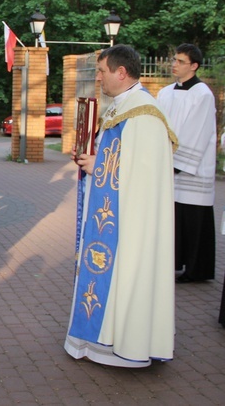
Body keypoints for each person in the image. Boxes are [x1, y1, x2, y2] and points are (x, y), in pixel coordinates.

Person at [65, 44, 177, 368]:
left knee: (125, 277)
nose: (98, 77)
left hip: (131, 225)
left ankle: (124, 344)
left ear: (121, 72)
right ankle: (93, 340)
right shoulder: (119, 107)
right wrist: (91, 159)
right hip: (112, 216)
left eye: (102, 71)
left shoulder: (145, 114)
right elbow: (114, 159)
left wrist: (96, 167)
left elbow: (140, 178)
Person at [157, 44, 216, 283]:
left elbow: (198, 131)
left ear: (194, 66)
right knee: (174, 217)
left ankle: (196, 270)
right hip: (169, 163)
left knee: (193, 218)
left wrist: (177, 163)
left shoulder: (203, 94)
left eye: (181, 61)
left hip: (192, 168)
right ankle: (172, 263)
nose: (174, 64)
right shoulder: (165, 92)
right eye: (174, 59)